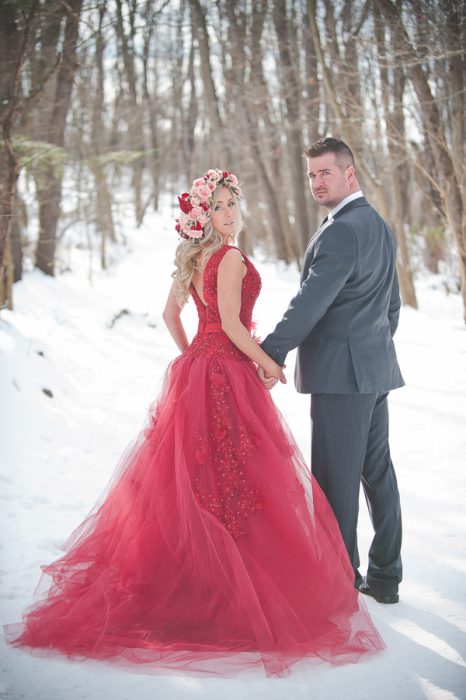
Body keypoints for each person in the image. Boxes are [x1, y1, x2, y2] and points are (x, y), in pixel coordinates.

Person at [4, 168, 384, 678]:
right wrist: (267, 363)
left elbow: (171, 315)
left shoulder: (196, 257)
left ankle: (208, 576)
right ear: (203, 216)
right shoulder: (226, 256)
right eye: (220, 207)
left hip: (200, 371)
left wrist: (193, 357)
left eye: (232, 204)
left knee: (206, 481)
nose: (229, 213)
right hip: (224, 372)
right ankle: (228, 587)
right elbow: (229, 324)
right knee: (235, 479)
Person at [260, 138, 404, 605]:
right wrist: (373, 348)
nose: (317, 182)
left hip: (344, 378)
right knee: (376, 471)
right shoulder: (378, 226)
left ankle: (338, 585)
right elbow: (391, 307)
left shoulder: (343, 230)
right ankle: (385, 577)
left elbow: (312, 302)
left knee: (334, 481)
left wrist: (273, 351)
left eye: (326, 172)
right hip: (373, 370)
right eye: (311, 175)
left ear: (350, 174)